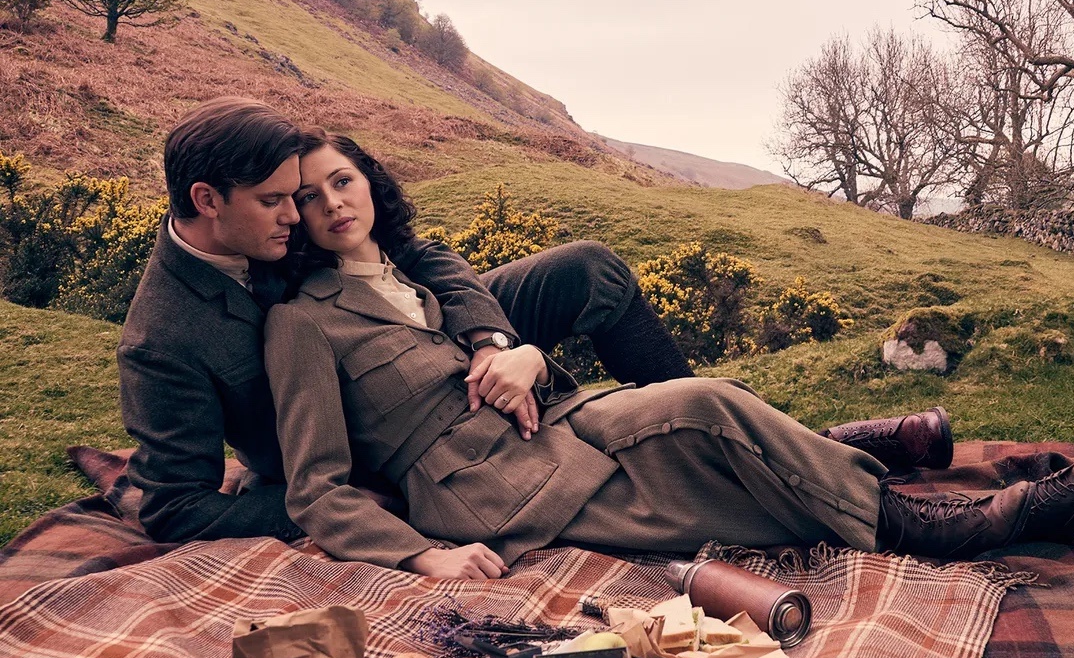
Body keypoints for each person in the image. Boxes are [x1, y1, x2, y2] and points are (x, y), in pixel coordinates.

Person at [264, 130, 1074, 579]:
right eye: (308, 196)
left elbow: (483, 328)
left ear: (370, 182)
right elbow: (316, 487)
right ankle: (961, 525)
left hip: (558, 419)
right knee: (721, 447)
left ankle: (920, 501)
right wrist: (425, 554)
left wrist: (523, 354)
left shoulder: (416, 270)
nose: (332, 202)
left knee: (714, 409)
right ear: (291, 217)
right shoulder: (303, 321)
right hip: (488, 489)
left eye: (343, 180)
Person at [119, 97, 953, 546]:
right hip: (374, 404)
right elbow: (175, 507)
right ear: (208, 203)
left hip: (415, 331)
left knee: (591, 271)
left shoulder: (280, 210)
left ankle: (742, 434)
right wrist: (367, 500)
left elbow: (418, 255)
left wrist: (499, 341)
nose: (297, 213)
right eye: (281, 201)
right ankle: (798, 445)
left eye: (303, 193)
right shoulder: (165, 337)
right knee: (683, 415)